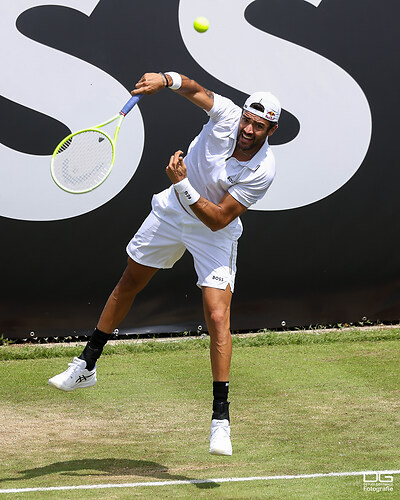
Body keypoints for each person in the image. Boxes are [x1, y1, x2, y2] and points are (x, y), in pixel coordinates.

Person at [48, 71, 280, 456]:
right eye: (247, 120)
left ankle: (220, 420)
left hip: (212, 231)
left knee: (218, 316)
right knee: (129, 282)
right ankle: (86, 364)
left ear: (270, 130)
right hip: (172, 213)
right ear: (240, 116)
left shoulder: (263, 169)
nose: (249, 129)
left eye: (259, 126)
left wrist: (183, 184)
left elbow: (220, 218)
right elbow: (195, 90)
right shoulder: (225, 115)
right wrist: (166, 79)